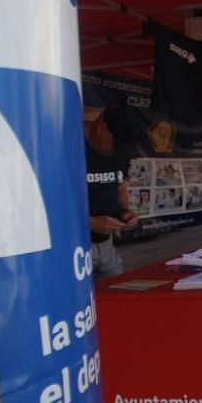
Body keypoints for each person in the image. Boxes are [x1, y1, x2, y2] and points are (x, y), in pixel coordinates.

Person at [84, 107, 138, 279]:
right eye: (115, 145)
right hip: (73, 247)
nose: (116, 151)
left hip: (107, 246)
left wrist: (124, 212)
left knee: (117, 297)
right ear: (101, 129)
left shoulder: (119, 153)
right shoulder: (68, 147)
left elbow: (120, 186)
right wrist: (89, 223)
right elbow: (50, 201)